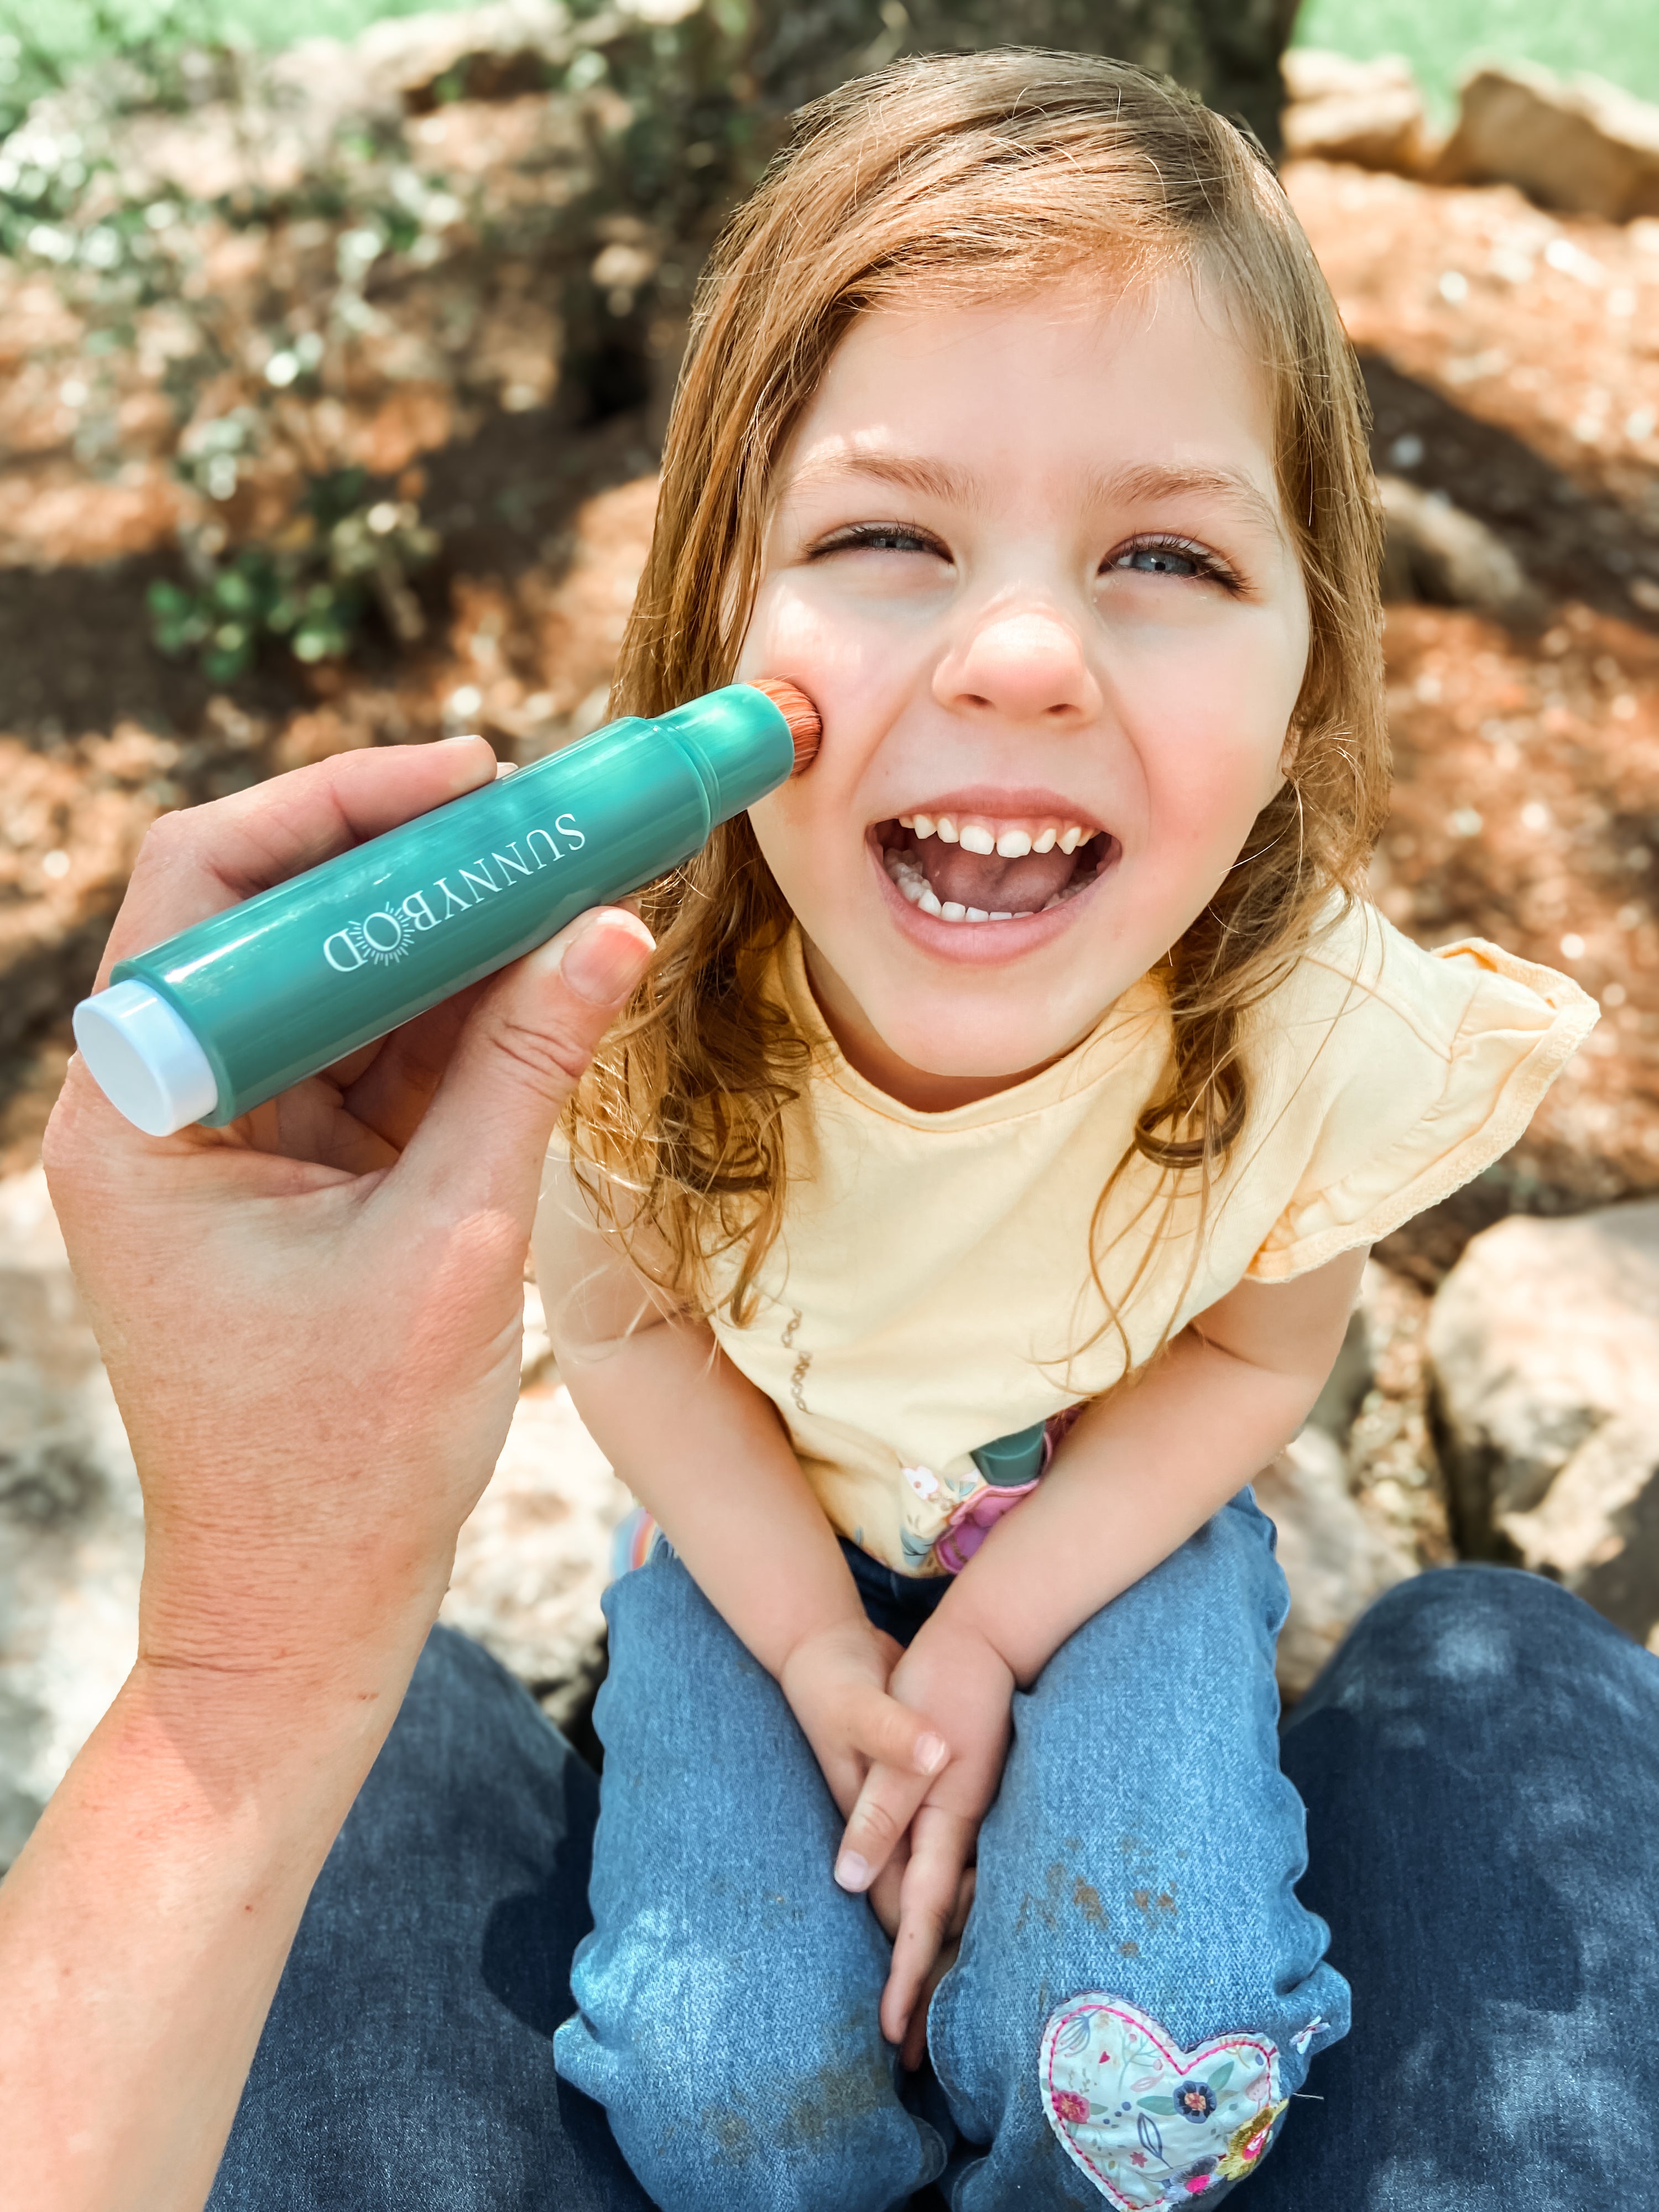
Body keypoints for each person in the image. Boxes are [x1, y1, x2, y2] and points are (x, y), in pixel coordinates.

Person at [526, 51, 1602, 2212]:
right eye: (886, 535)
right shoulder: (616, 1013)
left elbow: (1245, 1353)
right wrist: (829, 1648)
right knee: (737, 2108)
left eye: (1167, 553)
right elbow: (636, 1338)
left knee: (1139, 2075)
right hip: (758, 1541)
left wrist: (1006, 1635)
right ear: (718, 610)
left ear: (1310, 655)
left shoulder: (1305, 1036)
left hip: (1107, 1533)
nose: (1020, 651)